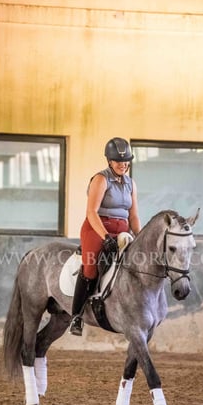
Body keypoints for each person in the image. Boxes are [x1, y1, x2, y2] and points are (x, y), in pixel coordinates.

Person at [69, 137, 142, 336]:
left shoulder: (131, 184)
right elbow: (91, 212)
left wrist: (141, 237)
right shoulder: (101, 179)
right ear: (109, 161)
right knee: (91, 265)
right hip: (97, 228)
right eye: (119, 161)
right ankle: (76, 316)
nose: (123, 164)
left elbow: (133, 215)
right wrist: (105, 237)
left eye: (126, 160)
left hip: (123, 231)